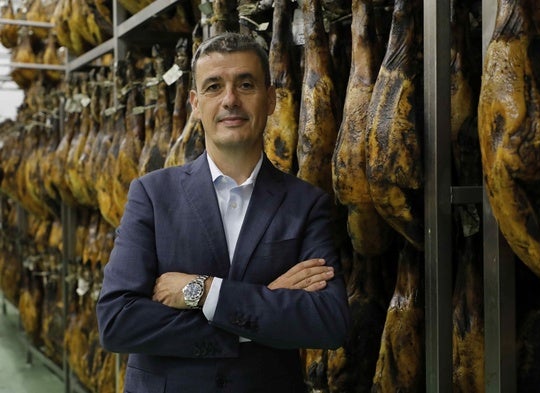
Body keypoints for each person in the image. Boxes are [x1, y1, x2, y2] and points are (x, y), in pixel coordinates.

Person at [96, 32, 350, 393]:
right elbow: (117, 322)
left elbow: (328, 322)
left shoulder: (305, 204)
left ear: (272, 99)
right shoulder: (152, 194)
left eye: (245, 84)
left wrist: (204, 292)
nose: (230, 99)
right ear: (196, 104)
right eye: (214, 87)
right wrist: (258, 309)